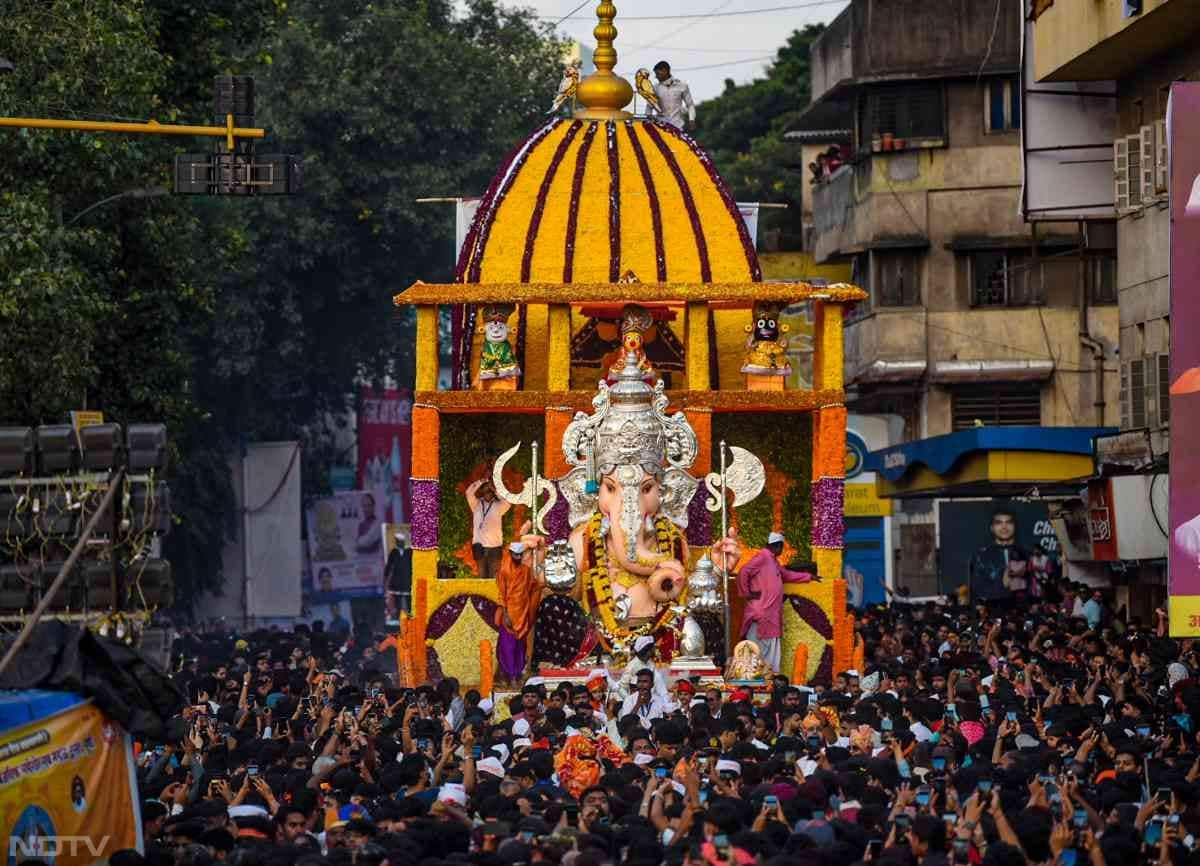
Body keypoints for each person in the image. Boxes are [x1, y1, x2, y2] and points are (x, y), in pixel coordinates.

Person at [735, 531, 815, 671]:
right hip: (761, 612)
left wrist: (808, 577)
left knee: (769, 650)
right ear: (777, 546)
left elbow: (787, 574)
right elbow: (744, 571)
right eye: (781, 547)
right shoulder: (763, 557)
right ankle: (758, 678)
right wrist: (746, 593)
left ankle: (768, 678)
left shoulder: (772, 560)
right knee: (757, 650)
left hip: (770, 613)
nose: (782, 550)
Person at [494, 539, 544, 682]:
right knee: (507, 646)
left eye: (520, 555)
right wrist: (505, 614)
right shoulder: (504, 571)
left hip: (523, 613)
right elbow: (501, 594)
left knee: (520, 646)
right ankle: (511, 675)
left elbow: (532, 587)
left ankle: (517, 673)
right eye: (515, 554)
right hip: (509, 613)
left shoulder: (526, 570)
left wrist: (541, 584)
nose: (518, 557)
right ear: (510, 554)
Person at [968, 506, 1029, 606]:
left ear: (1015, 526)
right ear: (992, 528)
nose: (1004, 527)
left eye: (1009, 522)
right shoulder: (981, 556)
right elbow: (978, 589)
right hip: (994, 607)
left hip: (1022, 606)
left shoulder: (1026, 554)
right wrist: (1002, 584)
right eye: (999, 523)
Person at [465, 478, 510, 580]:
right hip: (479, 547)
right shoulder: (476, 504)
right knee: (482, 577)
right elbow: (468, 492)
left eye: (489, 491)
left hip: (495, 547)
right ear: (481, 492)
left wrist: (495, 489)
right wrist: (481, 481)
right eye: (485, 490)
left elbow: (508, 502)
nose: (487, 492)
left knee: (494, 578)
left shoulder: (498, 506)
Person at [648, 61, 695, 131]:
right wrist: (648, 122)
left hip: (678, 126)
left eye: (658, 74)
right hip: (660, 127)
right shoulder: (655, 88)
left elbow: (690, 105)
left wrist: (692, 120)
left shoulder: (682, 86)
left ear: (665, 71)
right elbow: (649, 106)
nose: (656, 77)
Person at [384, 529, 412, 620]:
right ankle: (399, 618)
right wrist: (386, 576)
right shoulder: (394, 552)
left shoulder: (409, 551)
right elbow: (389, 566)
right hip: (397, 581)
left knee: (410, 601)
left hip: (408, 580)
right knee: (398, 602)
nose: (399, 543)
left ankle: (411, 617)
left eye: (400, 541)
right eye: (398, 541)